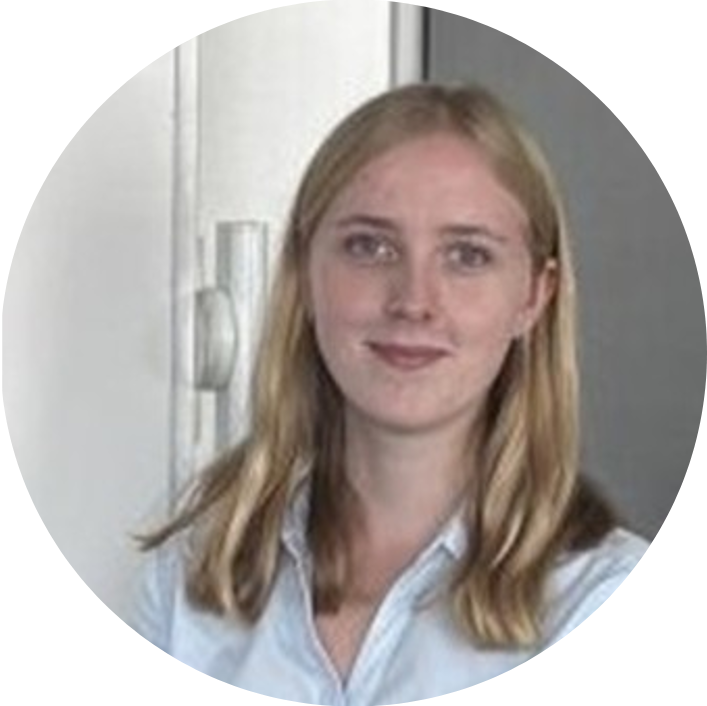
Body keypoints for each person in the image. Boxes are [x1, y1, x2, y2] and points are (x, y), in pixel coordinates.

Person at [131, 83, 649, 700]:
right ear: (304, 273)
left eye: (466, 255)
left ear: (534, 296)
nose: (413, 301)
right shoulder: (188, 580)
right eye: (370, 246)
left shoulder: (595, 593)